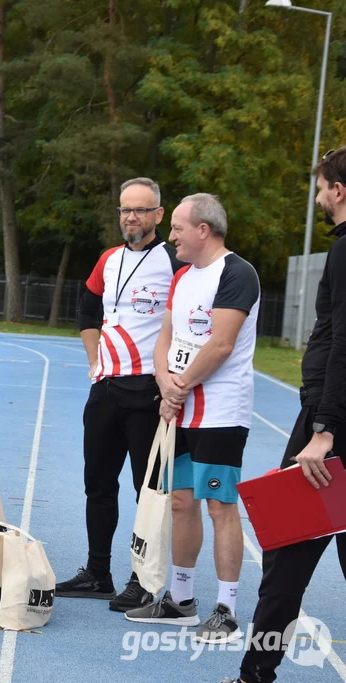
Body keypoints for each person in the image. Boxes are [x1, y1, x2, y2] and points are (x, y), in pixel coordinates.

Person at [224, 148, 346, 683]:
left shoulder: (344, 252)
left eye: (321, 187)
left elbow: (343, 342)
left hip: (329, 430)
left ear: (338, 190)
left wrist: (324, 430)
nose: (318, 197)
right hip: (330, 419)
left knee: (285, 558)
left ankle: (256, 675)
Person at [125, 193, 260, 645]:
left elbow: (220, 345)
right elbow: (167, 337)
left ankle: (227, 607)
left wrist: (178, 388)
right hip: (178, 409)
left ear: (203, 230)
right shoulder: (182, 275)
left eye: (179, 226)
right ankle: (181, 600)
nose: (173, 235)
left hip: (220, 411)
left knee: (221, 506)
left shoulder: (238, 274)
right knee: (180, 502)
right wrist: (165, 380)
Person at [56, 178, 184, 612]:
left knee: (147, 491)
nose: (131, 218)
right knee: (98, 484)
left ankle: (142, 579)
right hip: (105, 388)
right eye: (125, 210)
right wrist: (95, 361)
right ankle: (98, 573)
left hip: (148, 391)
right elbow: (88, 309)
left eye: (141, 210)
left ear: (158, 216)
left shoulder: (173, 261)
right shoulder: (109, 259)